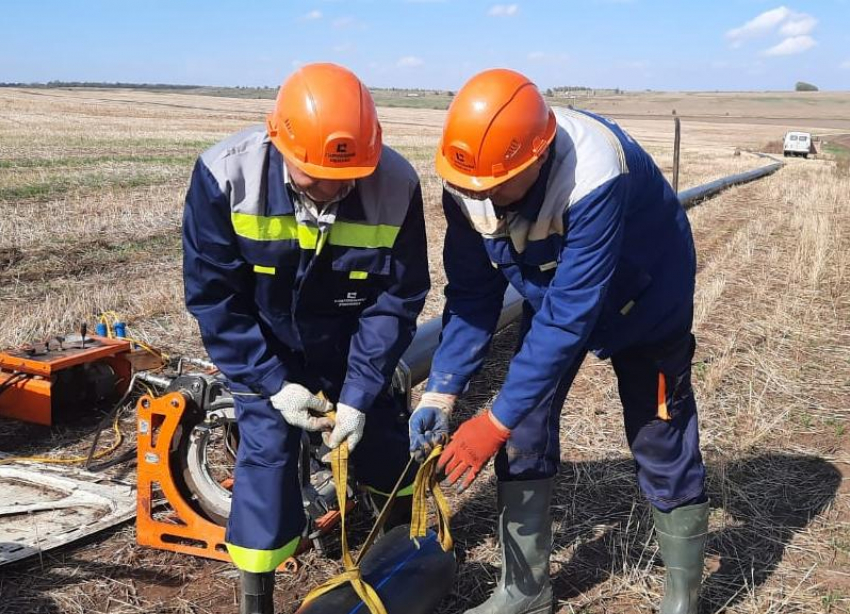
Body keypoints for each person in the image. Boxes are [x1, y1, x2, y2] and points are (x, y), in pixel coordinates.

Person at [409, 68, 708, 614]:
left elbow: (572, 315)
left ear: (538, 158)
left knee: (658, 433)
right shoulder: (471, 184)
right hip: (556, 293)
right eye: (471, 187)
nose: (485, 199)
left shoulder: (594, 173)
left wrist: (490, 423)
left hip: (646, 296)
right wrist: (442, 390)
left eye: (498, 187)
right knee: (523, 421)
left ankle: (682, 598)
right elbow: (474, 296)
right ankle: (525, 592)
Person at [183, 62, 430, 614]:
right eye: (317, 177)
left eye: (349, 177)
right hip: (264, 349)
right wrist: (271, 383)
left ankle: (397, 560)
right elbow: (215, 298)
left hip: (350, 346)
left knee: (386, 453)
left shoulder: (395, 185)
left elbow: (396, 298)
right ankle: (258, 602)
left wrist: (362, 392)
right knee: (266, 475)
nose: (336, 188)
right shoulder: (225, 176)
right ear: (278, 142)